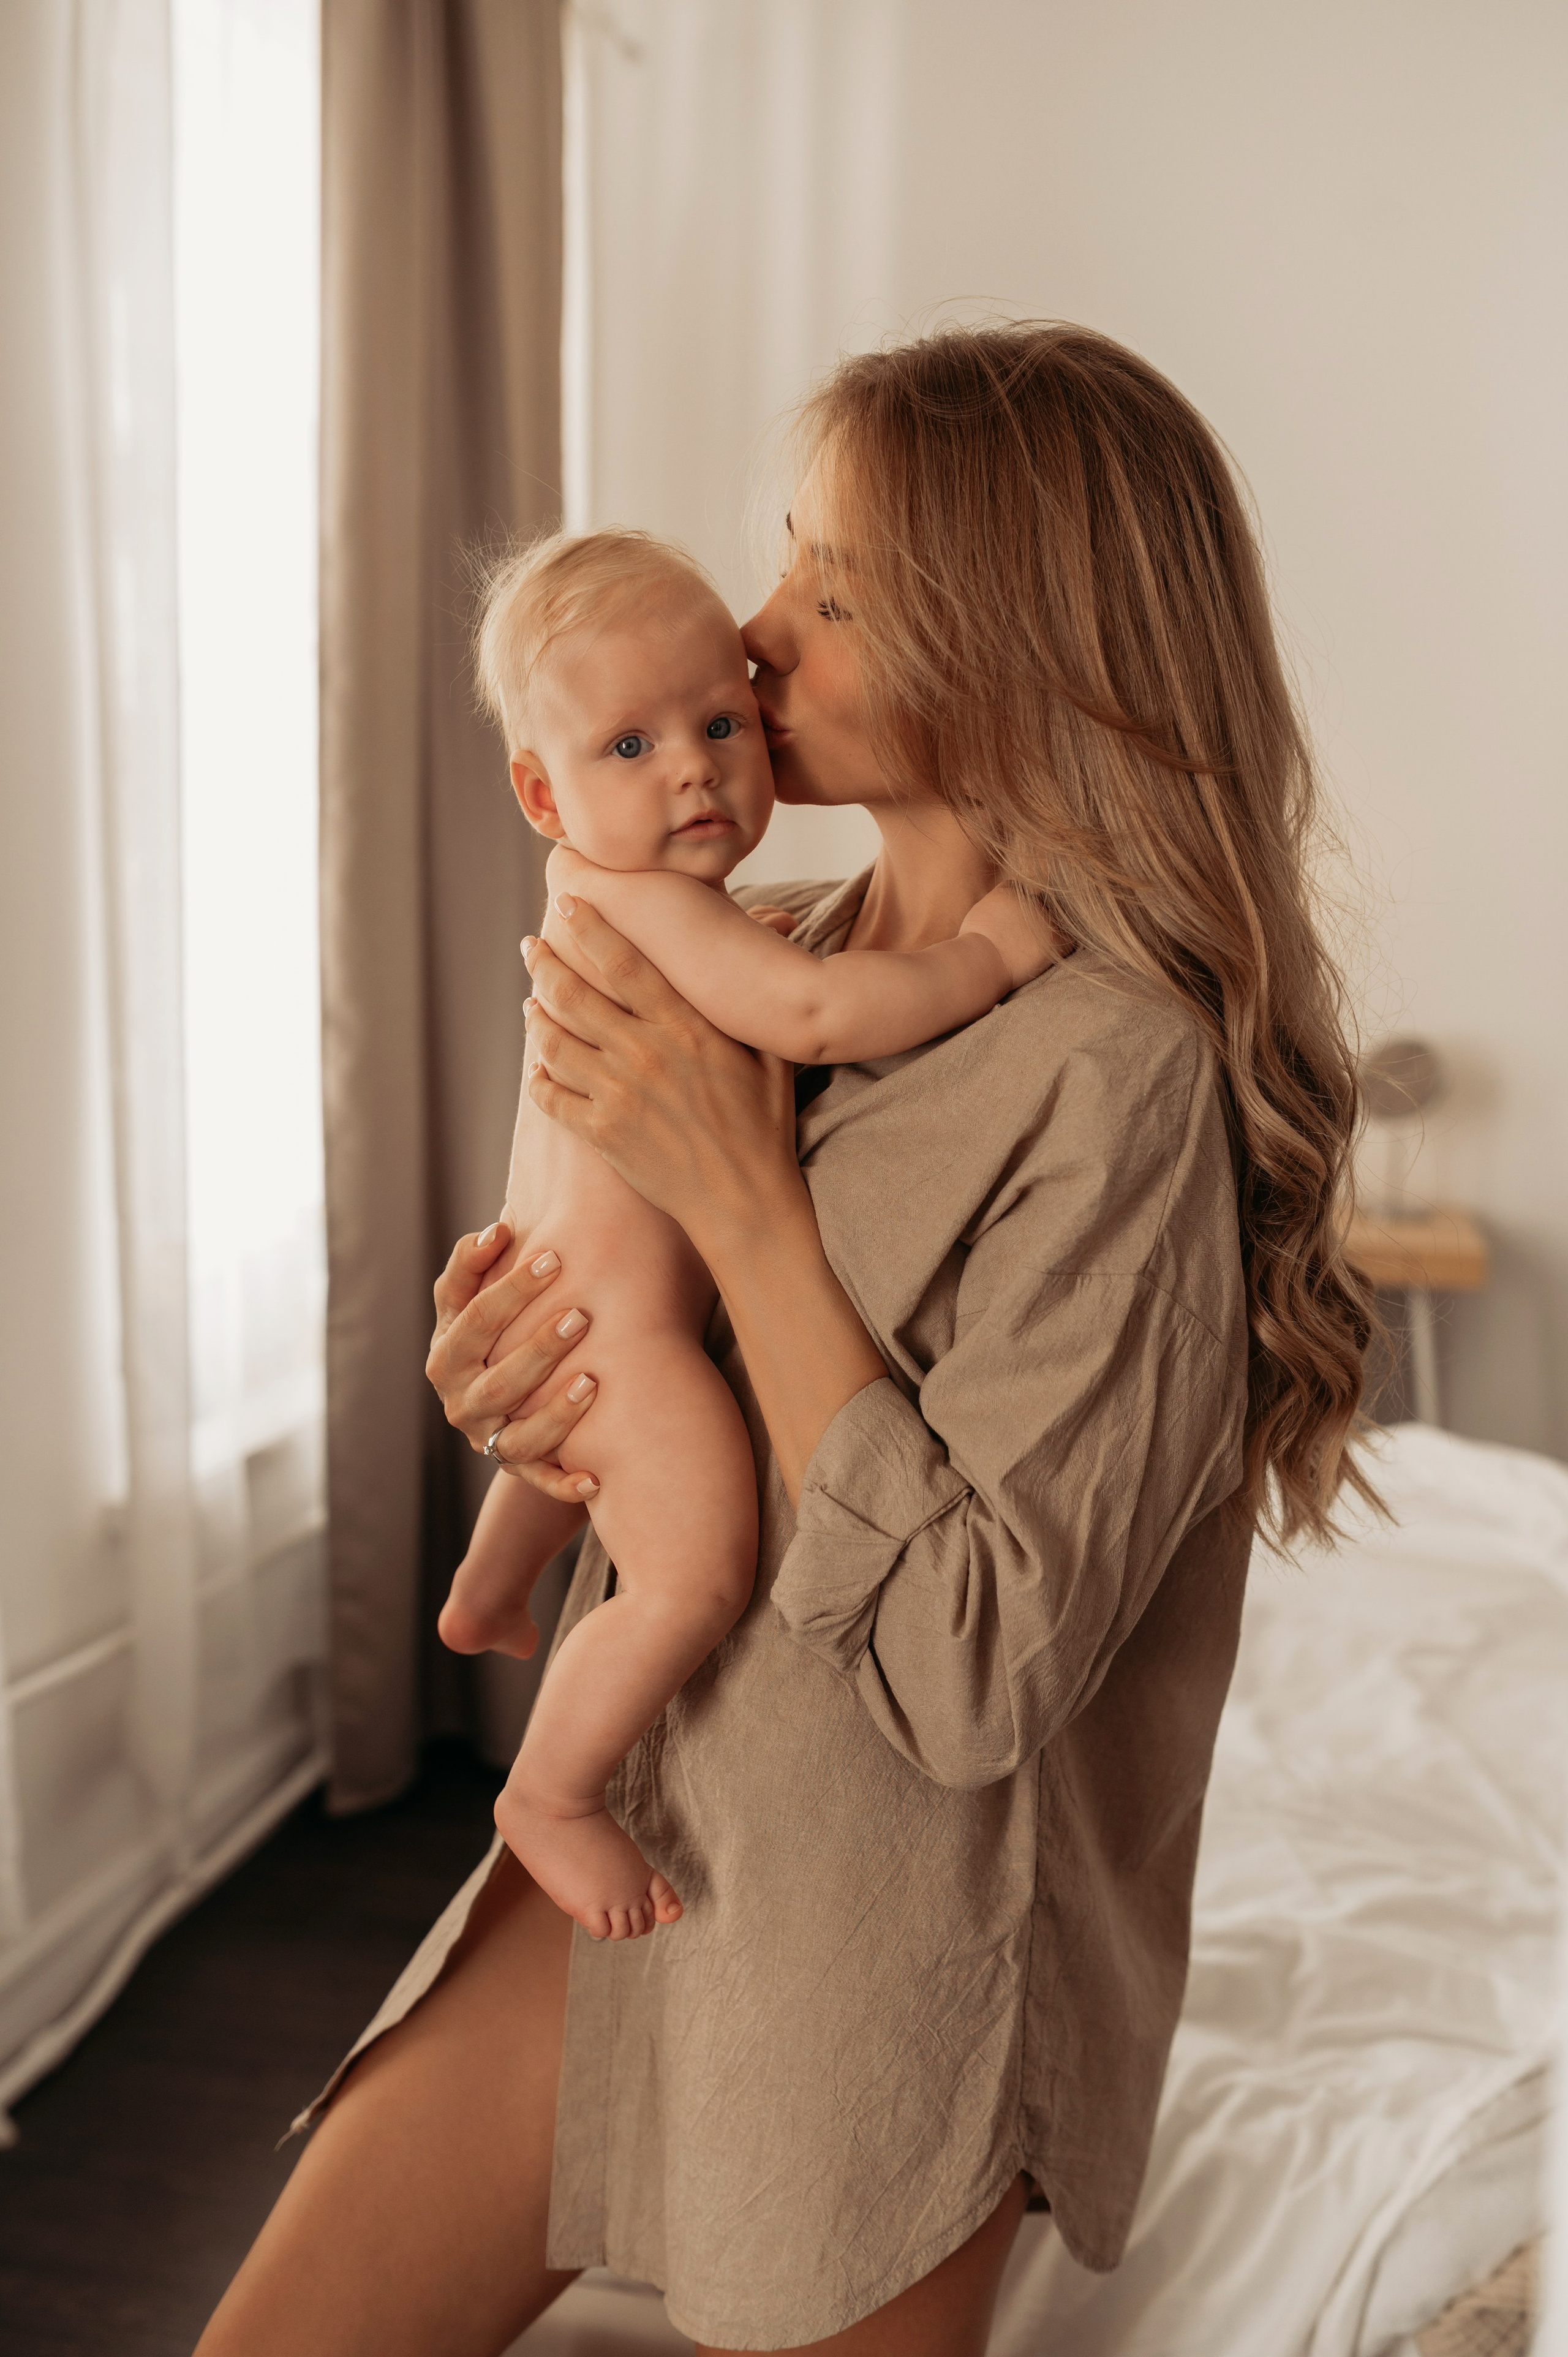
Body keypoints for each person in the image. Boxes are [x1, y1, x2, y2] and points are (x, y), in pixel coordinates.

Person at [197, 323, 1374, 2357]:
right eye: (785, 558)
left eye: (831, 588)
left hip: (883, 1949)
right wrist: (520, 1378)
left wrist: (748, 1212)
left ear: (1014, 653)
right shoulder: (775, 952)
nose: (753, 631)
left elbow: (973, 1663)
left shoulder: (1122, 1077)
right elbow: (618, 1341)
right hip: (637, 1840)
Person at [443, 526, 1050, 1941]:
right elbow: (816, 1017)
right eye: (632, 747)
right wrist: (989, 959)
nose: (697, 768)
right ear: (541, 792)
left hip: (560, 1298)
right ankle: (547, 1789)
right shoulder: (672, 913)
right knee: (693, 1571)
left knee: (565, 1428)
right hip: (621, 1336)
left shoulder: (620, 897)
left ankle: (486, 1587)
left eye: (716, 724)